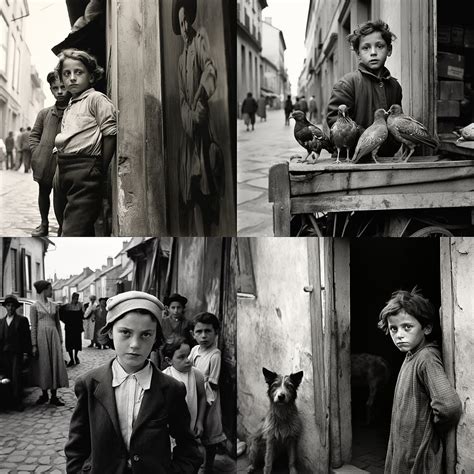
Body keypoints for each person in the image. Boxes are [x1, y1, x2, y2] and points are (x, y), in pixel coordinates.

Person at [65, 290, 202, 473]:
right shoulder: (89, 384)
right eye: (126, 332)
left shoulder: (171, 389)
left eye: (145, 334)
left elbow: (188, 447)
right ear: (111, 332)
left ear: (156, 337)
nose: (135, 344)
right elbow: (77, 445)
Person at [378, 288, 462, 473]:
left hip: (418, 453)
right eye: (394, 328)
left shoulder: (427, 358)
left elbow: (449, 406)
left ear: (426, 328)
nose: (399, 334)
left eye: (407, 327)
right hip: (405, 446)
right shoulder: (411, 355)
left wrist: (431, 431)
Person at [54, 48, 117, 236]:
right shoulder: (71, 105)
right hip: (64, 168)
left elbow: (110, 133)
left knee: (73, 230)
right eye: (67, 74)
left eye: (78, 72)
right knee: (68, 222)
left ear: (91, 76)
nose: (72, 78)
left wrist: (100, 168)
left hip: (85, 169)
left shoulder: (96, 99)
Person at [174, 0, 222, 236]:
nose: (184, 28)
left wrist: (200, 99)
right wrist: (188, 117)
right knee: (189, 189)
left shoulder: (200, 40)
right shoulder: (180, 59)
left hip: (202, 127)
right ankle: (199, 233)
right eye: (180, 23)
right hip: (189, 130)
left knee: (206, 185)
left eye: (186, 21)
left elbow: (210, 69)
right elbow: (182, 96)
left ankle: (208, 233)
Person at [326, 19, 403, 156]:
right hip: (353, 160)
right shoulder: (347, 84)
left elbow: (397, 118)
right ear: (358, 54)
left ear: (389, 50)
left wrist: (392, 143)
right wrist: (369, 138)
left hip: (385, 158)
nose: (373, 52)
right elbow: (334, 121)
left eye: (379, 46)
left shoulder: (395, 86)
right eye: (366, 48)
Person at [30, 71, 71, 237]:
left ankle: (63, 227)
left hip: (64, 163)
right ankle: (44, 223)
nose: (60, 91)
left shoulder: (74, 111)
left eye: (63, 87)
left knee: (63, 198)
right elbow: (34, 136)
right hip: (45, 163)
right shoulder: (44, 113)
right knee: (43, 193)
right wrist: (37, 152)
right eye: (55, 88)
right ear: (51, 90)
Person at [189, 312, 226, 473]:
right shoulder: (195, 350)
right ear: (193, 334)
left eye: (208, 331)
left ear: (216, 332)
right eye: (199, 332)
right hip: (194, 396)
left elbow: (212, 383)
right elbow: (188, 369)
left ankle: (208, 466)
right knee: (195, 432)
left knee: (210, 436)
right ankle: (196, 462)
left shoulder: (215, 355)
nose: (203, 336)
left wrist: (204, 402)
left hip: (208, 400)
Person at [30, 280, 69, 406]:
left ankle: (54, 395)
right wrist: (34, 344)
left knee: (55, 363)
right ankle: (44, 394)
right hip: (41, 337)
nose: (51, 292)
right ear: (43, 290)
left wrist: (60, 339)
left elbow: (58, 323)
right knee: (44, 364)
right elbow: (34, 326)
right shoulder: (34, 306)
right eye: (50, 289)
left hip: (53, 337)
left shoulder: (54, 306)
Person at [162, 336, 206, 437]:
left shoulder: (197, 374)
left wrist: (200, 422)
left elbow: (202, 397)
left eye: (189, 355)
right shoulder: (165, 377)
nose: (187, 360)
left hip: (193, 424)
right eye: (181, 357)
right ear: (169, 360)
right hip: (172, 429)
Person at [0, 295, 32, 411]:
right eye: (8, 306)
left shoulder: (22, 320)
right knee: (6, 377)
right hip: (4, 354)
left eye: (13, 306)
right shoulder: (1, 322)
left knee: (16, 377)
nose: (10, 308)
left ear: (16, 308)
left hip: (16, 353)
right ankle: (8, 402)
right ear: (5, 307)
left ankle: (18, 402)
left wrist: (25, 353)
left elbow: (26, 339)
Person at [59, 292, 84, 366]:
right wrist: (65, 321)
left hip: (77, 327)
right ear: (72, 298)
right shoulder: (67, 306)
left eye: (77, 298)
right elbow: (60, 314)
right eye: (75, 298)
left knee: (77, 343)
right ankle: (71, 359)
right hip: (69, 327)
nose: (76, 299)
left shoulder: (79, 305)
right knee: (70, 343)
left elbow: (82, 315)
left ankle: (76, 356)